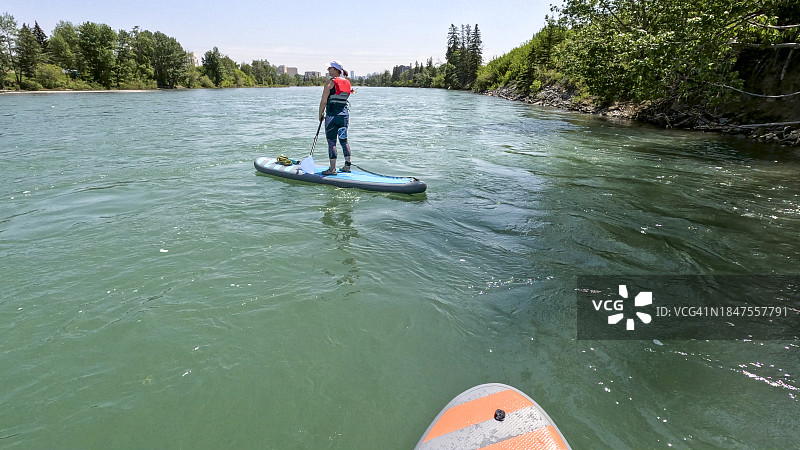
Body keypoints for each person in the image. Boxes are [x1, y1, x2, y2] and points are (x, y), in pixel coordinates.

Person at [318, 60, 354, 175]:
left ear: (336, 70)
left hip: (332, 118)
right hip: (344, 117)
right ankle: (347, 166)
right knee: (344, 141)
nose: (328, 70)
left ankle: (332, 169)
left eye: (330, 68)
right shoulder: (347, 82)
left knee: (332, 142)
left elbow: (324, 101)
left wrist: (320, 114)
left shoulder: (329, 83)